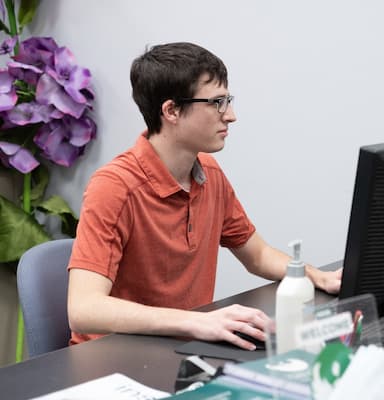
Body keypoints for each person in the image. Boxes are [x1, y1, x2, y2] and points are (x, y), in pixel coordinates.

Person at [67, 42, 342, 350]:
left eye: (228, 100)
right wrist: (197, 321)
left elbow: (257, 255)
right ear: (171, 111)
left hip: (182, 346)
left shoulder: (208, 173)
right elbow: (83, 309)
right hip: (112, 360)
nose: (231, 115)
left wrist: (317, 277)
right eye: (217, 102)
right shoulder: (114, 186)